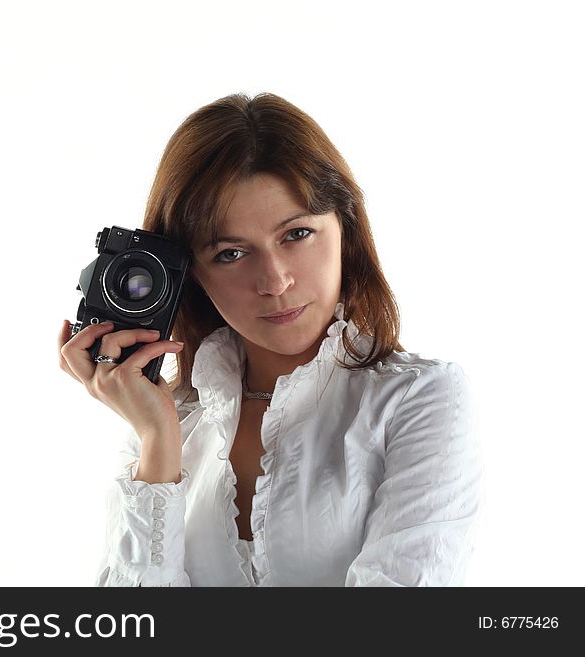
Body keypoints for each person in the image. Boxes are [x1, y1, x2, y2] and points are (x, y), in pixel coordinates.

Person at [57, 92, 483, 586]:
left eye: (296, 234)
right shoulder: (170, 418)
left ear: (344, 230)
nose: (275, 281)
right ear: (190, 274)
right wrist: (157, 443)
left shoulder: (419, 400)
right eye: (231, 254)